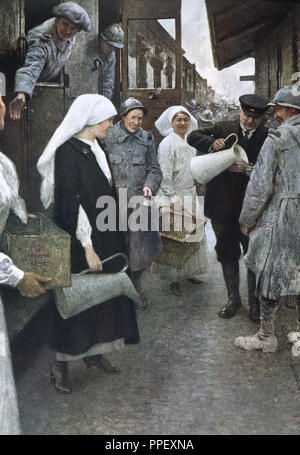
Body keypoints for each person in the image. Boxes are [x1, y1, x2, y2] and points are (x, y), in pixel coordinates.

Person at [37, 94, 140, 393]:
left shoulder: (97, 147)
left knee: (102, 299)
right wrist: (87, 245)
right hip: (81, 239)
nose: (111, 124)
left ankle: (94, 355)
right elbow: (71, 204)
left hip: (104, 234)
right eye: (107, 120)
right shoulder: (67, 152)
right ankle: (61, 364)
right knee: (75, 301)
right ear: (90, 120)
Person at [187, 94, 269, 321]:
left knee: (253, 255)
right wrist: (212, 143)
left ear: (262, 117)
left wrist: (249, 169)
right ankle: (233, 299)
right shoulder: (224, 128)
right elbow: (193, 136)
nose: (251, 121)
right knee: (226, 252)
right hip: (222, 206)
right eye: (247, 115)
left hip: (253, 209)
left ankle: (255, 304)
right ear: (240, 112)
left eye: (256, 117)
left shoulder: (268, 136)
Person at [234, 85, 300, 353]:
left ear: (285, 110)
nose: (275, 115)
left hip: (283, 213)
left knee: (270, 271)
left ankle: (265, 336)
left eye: (277, 110)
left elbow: (261, 186)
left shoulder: (278, 138)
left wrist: (248, 218)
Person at [104, 97, 162, 308]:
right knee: (116, 246)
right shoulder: (108, 137)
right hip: (112, 203)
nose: (137, 122)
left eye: (140, 118)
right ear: (123, 117)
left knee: (139, 249)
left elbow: (154, 169)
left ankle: (136, 288)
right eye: (133, 117)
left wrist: (150, 185)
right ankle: (117, 290)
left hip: (139, 202)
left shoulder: (147, 139)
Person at [153, 106, 209, 296]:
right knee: (175, 238)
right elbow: (164, 175)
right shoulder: (167, 144)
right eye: (179, 120)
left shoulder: (191, 141)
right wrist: (173, 199)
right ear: (171, 123)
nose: (183, 123)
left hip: (190, 194)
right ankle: (172, 279)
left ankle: (189, 272)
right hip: (174, 196)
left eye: (185, 119)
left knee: (193, 234)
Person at [9, 1, 91, 120]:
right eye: (65, 24)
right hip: (27, 87)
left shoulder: (70, 35)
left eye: (73, 28)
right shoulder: (42, 37)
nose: (68, 31)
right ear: (57, 19)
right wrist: (22, 92)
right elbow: (32, 65)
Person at [98, 23, 124, 100]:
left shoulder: (111, 56)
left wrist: (105, 102)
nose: (111, 49)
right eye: (109, 44)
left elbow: (108, 82)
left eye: (114, 47)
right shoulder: (91, 48)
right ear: (102, 39)